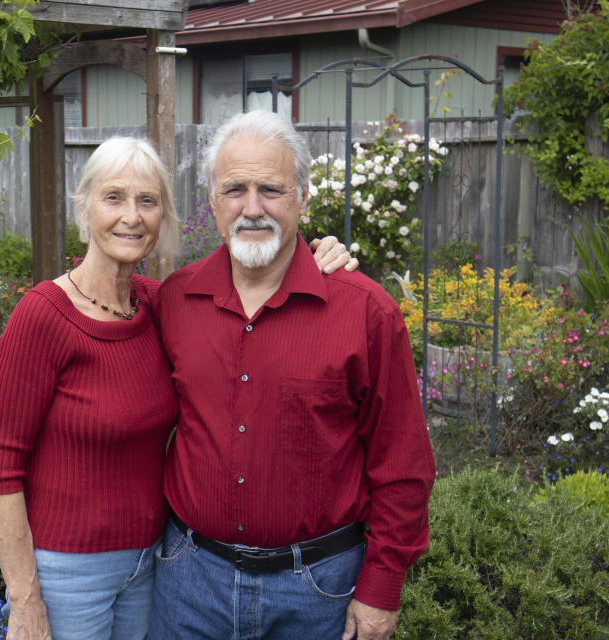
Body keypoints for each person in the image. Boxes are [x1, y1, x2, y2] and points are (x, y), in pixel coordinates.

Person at [0, 136, 355, 640]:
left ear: (163, 217)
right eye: (114, 198)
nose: (131, 216)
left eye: (148, 201)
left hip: (153, 567)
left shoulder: (162, 305)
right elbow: (0, 469)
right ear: (84, 207)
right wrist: (23, 599)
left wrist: (319, 254)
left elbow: (257, 280)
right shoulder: (43, 316)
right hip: (67, 574)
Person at [147, 111, 436, 640]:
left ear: (303, 198)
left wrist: (382, 588)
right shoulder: (174, 303)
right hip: (189, 583)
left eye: (272, 190)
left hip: (317, 590)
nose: (252, 208)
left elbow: (404, 464)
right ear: (212, 201)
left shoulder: (365, 313)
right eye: (234, 189)